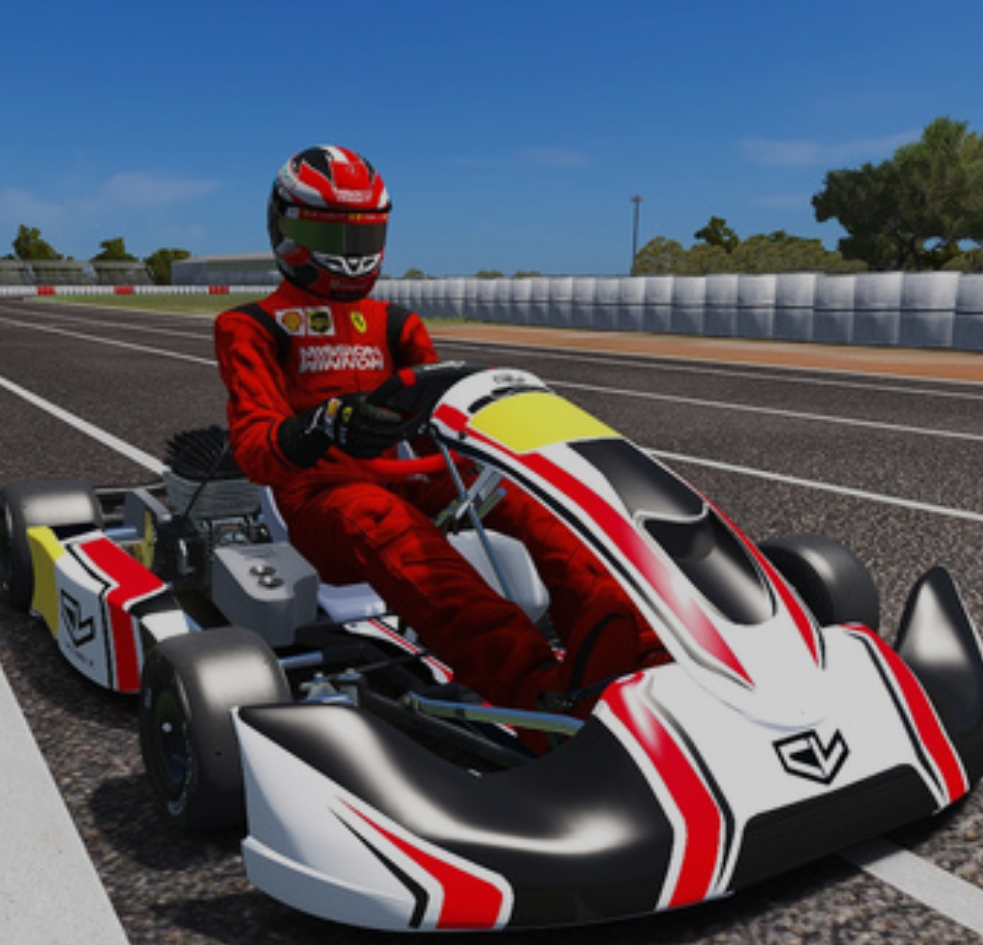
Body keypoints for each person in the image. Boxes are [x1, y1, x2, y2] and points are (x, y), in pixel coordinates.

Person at [213, 145, 667, 718]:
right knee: (383, 519)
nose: (350, 255)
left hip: (405, 480)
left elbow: (436, 429)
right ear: (286, 228)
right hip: (315, 500)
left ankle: (629, 639)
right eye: (334, 237)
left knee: (524, 499)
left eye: (362, 237)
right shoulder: (250, 326)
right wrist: (326, 423)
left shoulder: (396, 324)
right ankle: (534, 692)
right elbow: (255, 452)